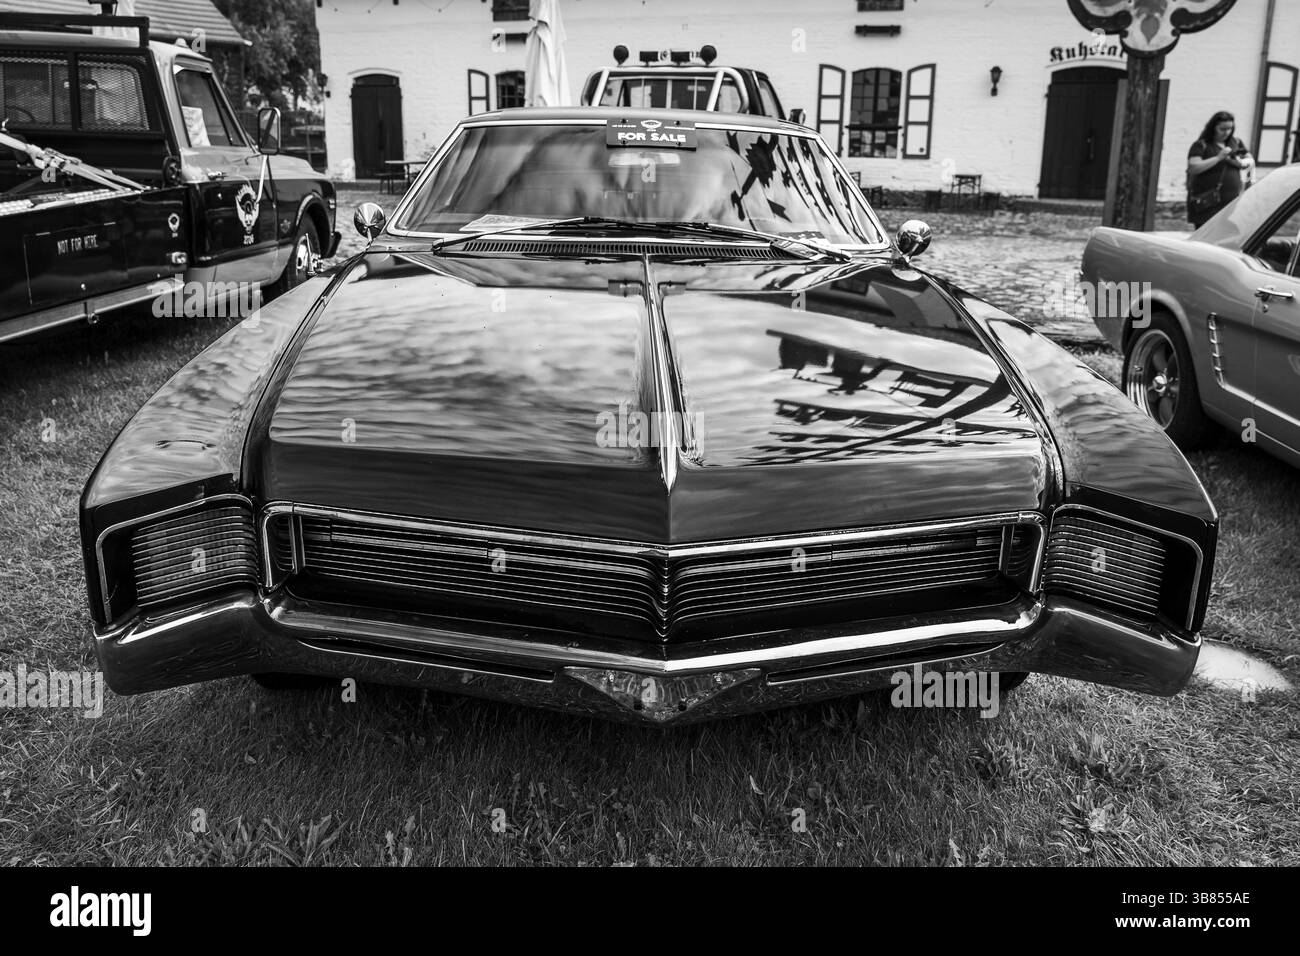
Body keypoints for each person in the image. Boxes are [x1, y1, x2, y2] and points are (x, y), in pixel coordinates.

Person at [1187, 111, 1254, 228]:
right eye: (1222, 129)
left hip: (1232, 204)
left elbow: (1249, 162)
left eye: (1230, 129)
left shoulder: (1236, 142)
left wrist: (1237, 161)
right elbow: (1194, 167)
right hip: (1208, 204)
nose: (1226, 133)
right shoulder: (1201, 145)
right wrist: (1218, 158)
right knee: (1205, 239)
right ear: (1213, 128)